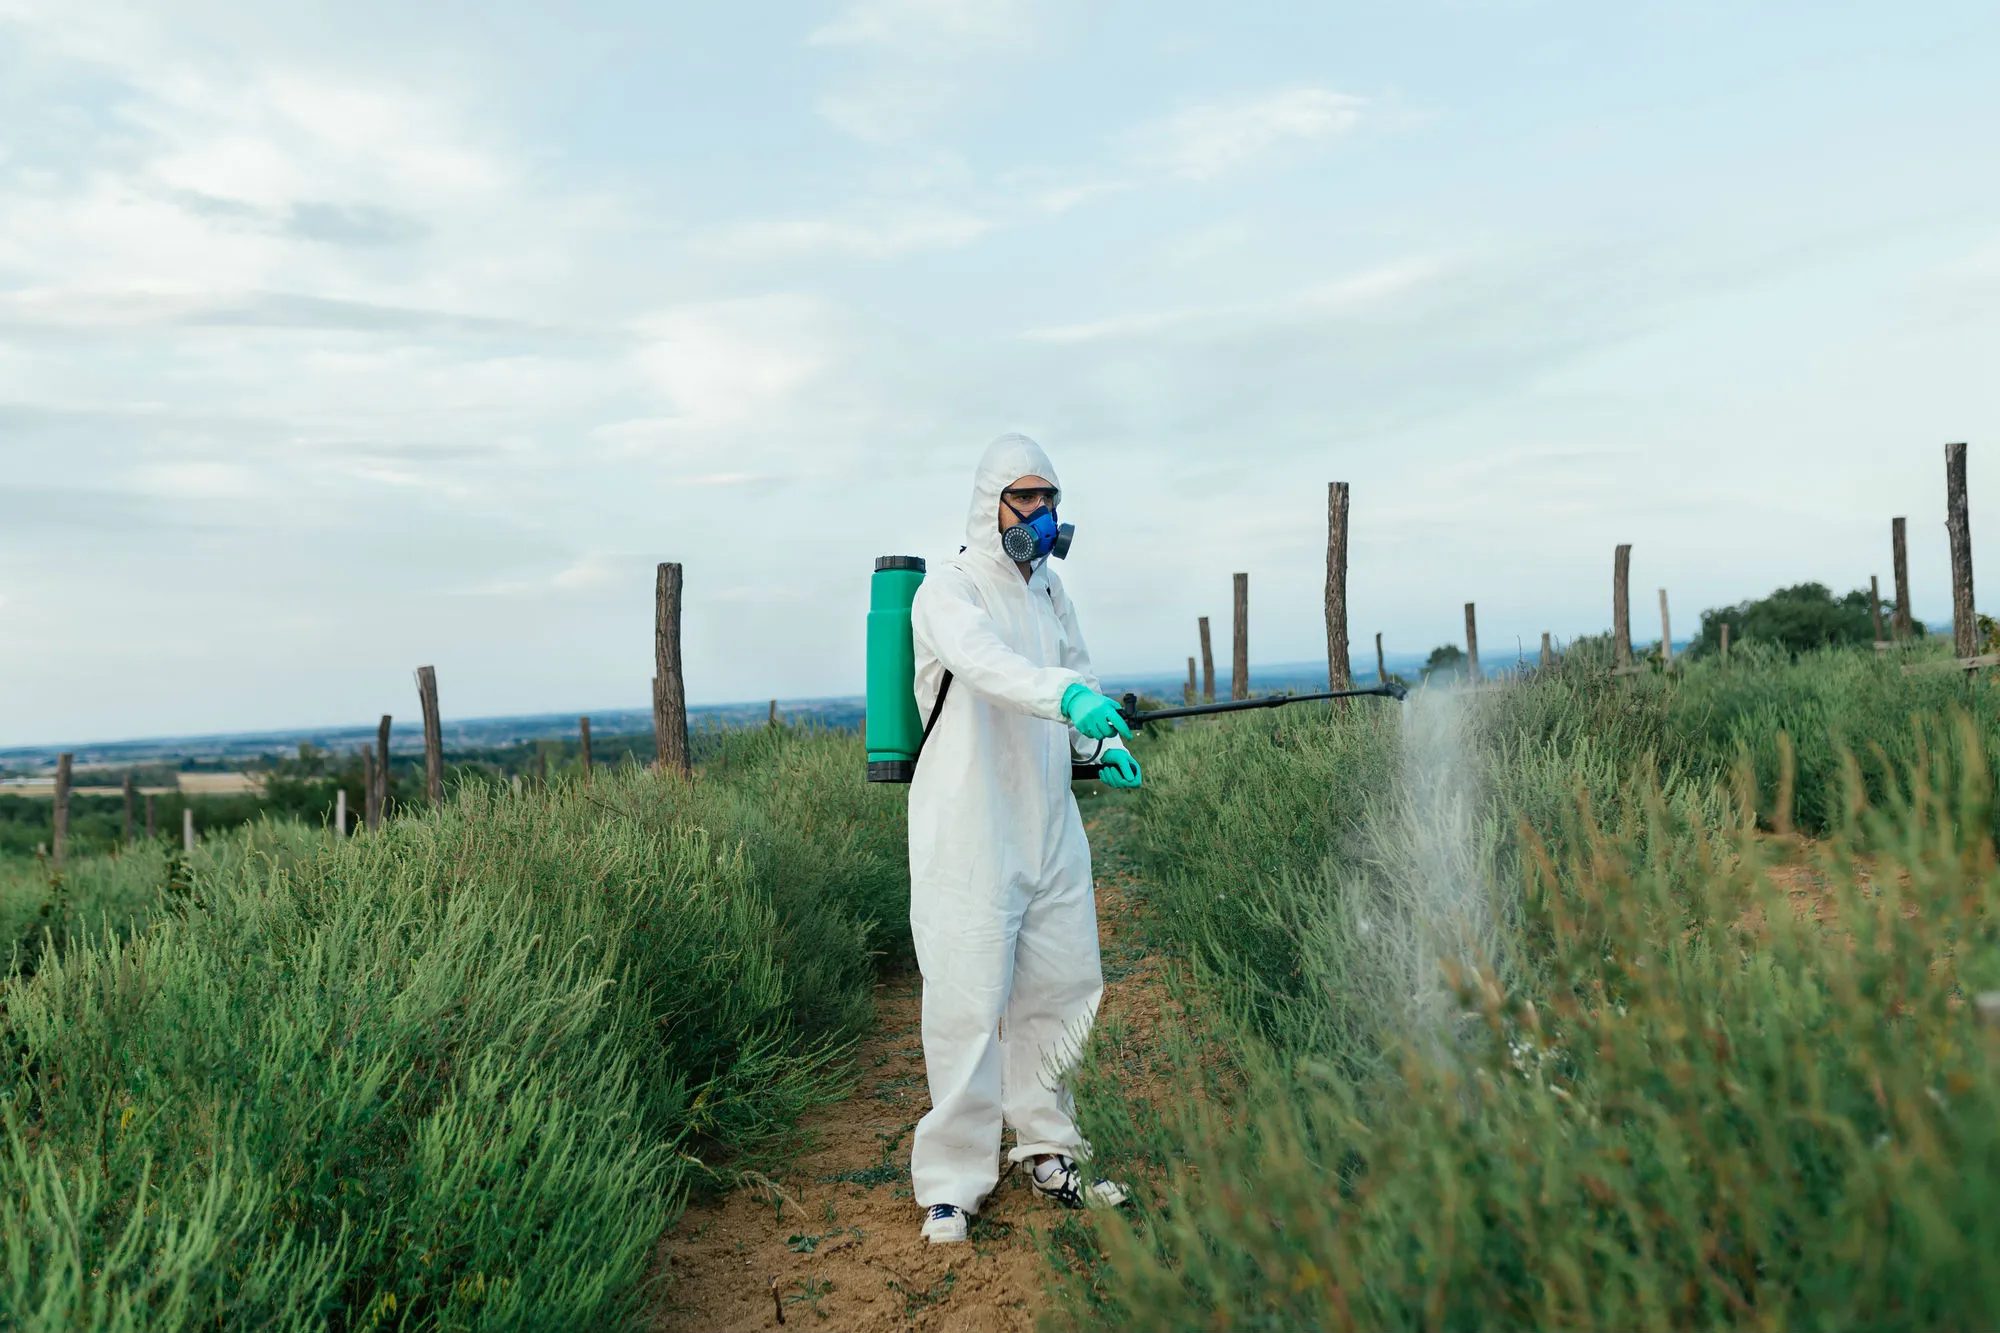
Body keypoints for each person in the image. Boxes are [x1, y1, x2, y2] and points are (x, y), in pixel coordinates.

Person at [905, 432, 1140, 1245]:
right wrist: (1068, 699)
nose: (1040, 515)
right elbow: (987, 666)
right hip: (970, 830)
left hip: (1048, 829)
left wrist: (1100, 743)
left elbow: (1079, 674)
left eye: (1051, 500)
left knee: (1063, 989)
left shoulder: (1051, 592)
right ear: (990, 501)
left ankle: (1050, 1150)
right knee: (968, 1004)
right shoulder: (950, 589)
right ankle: (951, 1184)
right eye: (1025, 497)